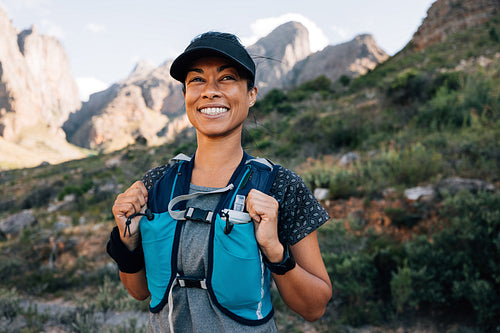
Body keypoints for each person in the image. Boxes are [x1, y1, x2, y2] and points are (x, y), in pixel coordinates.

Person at [107, 31, 332, 333]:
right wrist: (127, 241)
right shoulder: (157, 184)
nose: (210, 91)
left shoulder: (280, 186)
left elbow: (314, 307)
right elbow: (139, 291)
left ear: (251, 94)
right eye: (197, 80)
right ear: (186, 95)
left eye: (226, 78)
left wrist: (275, 251)